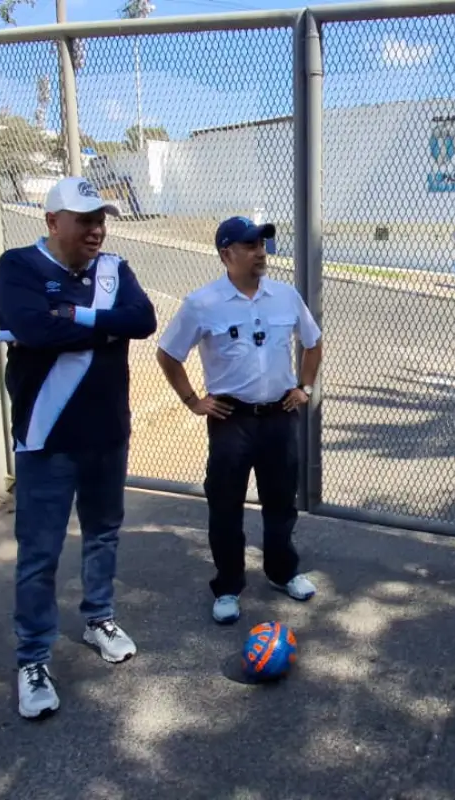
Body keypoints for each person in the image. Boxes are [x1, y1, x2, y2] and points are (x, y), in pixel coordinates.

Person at [0, 176, 157, 720]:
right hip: (47, 437)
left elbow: (142, 320)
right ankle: (33, 657)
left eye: (101, 219)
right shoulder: (19, 266)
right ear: (52, 222)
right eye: (85, 219)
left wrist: (76, 316)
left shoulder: (115, 269)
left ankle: (98, 618)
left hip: (108, 430)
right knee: (39, 553)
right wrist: (102, 329)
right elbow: (32, 331)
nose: (96, 229)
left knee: (104, 532)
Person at [155, 215, 323, 625]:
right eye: (250, 245)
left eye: (262, 244)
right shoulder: (203, 303)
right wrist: (193, 400)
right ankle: (228, 587)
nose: (260, 252)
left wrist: (304, 386)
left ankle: (283, 572)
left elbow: (313, 342)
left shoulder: (284, 296)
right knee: (226, 507)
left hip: (279, 416)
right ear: (226, 254)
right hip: (232, 420)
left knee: (281, 504)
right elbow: (168, 354)